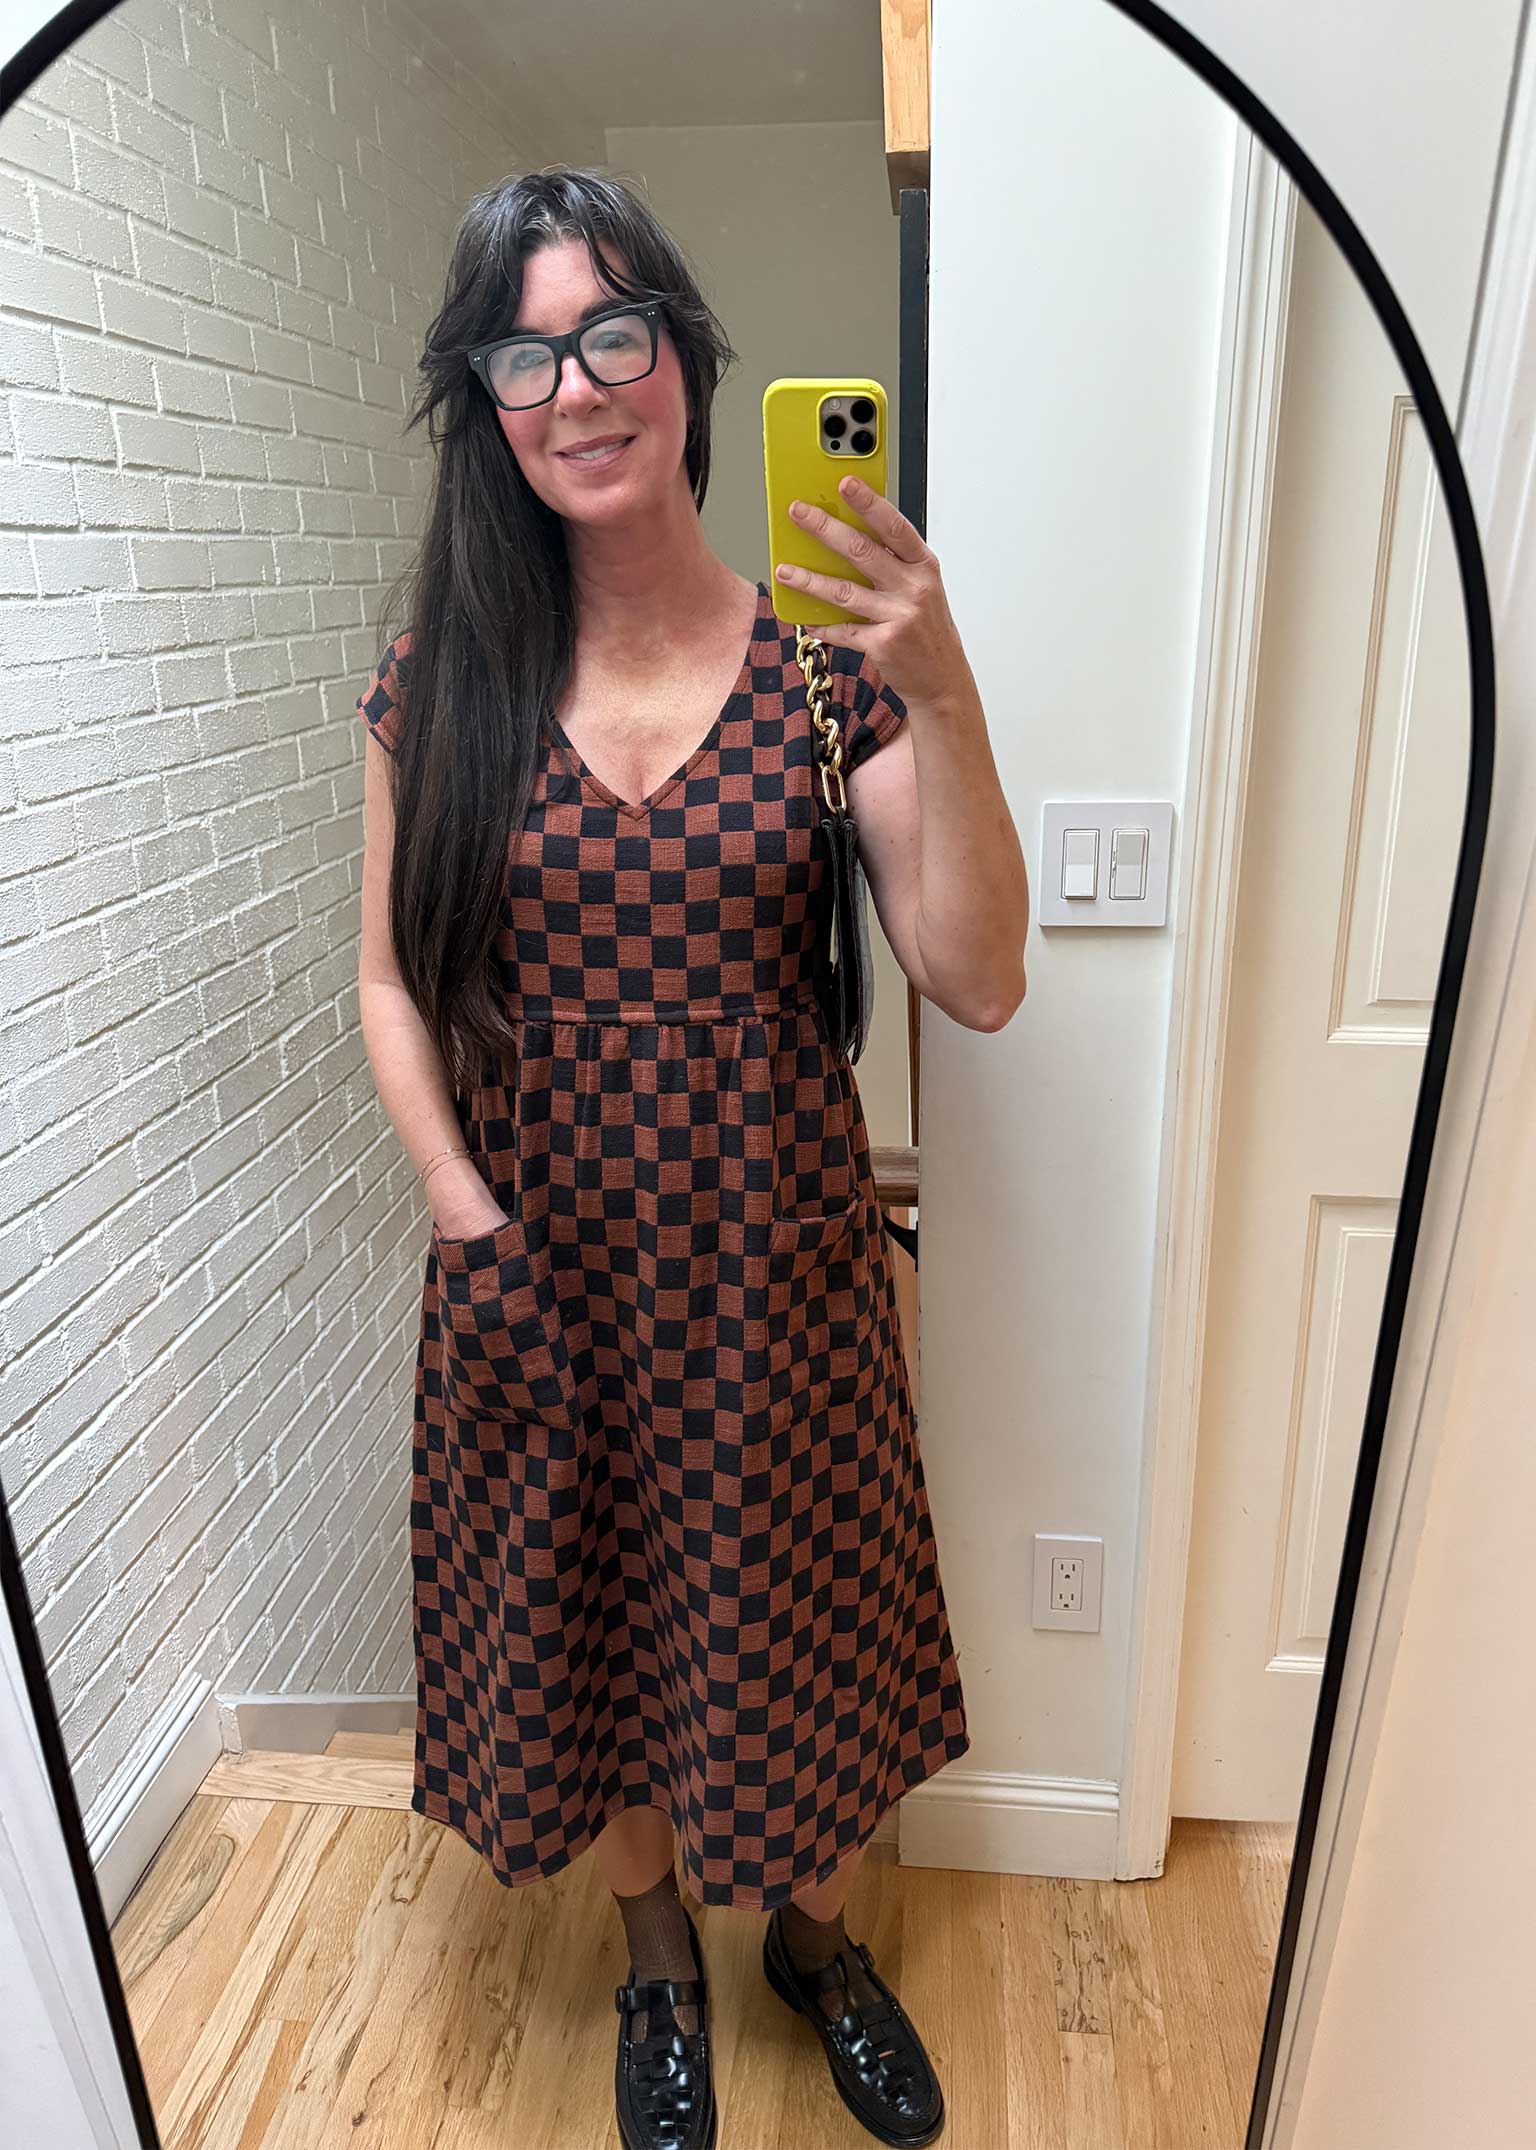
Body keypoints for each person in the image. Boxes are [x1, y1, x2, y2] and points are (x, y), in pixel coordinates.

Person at [356, 165, 1027, 2150]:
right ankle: (657, 1962)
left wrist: (947, 685)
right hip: (538, 1267)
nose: (577, 386)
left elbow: (978, 976)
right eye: (526, 353)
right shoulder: (439, 690)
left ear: (687, 362)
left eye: (614, 333)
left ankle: (815, 1945)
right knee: (602, 1635)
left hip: (775, 1276)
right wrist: (463, 1217)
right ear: (488, 405)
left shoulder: (830, 679)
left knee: (795, 1634)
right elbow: (388, 985)